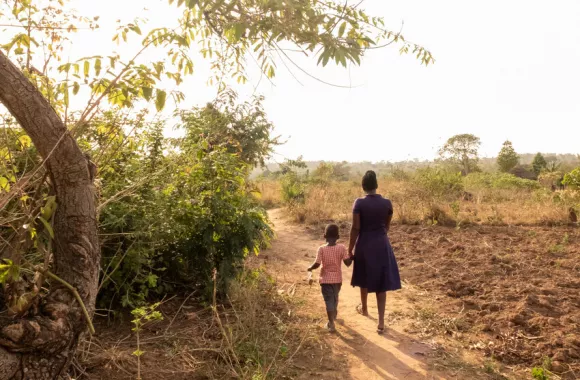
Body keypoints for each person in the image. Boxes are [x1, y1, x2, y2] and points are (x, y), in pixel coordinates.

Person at [349, 170, 401, 334]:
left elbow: (356, 227)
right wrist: (379, 234)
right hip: (381, 243)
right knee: (381, 282)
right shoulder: (387, 203)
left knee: (363, 276)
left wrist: (350, 248)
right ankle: (381, 322)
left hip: (364, 243)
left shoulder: (359, 203)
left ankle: (364, 309)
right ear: (376, 185)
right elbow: (387, 226)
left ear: (363, 186)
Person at [307, 224, 352, 332]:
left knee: (328, 300)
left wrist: (310, 268)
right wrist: (352, 256)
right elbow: (347, 263)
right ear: (338, 236)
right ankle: (334, 313)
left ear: (324, 236)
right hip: (337, 280)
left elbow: (317, 263)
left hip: (325, 280)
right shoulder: (341, 248)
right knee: (335, 297)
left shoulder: (321, 249)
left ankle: (331, 323)